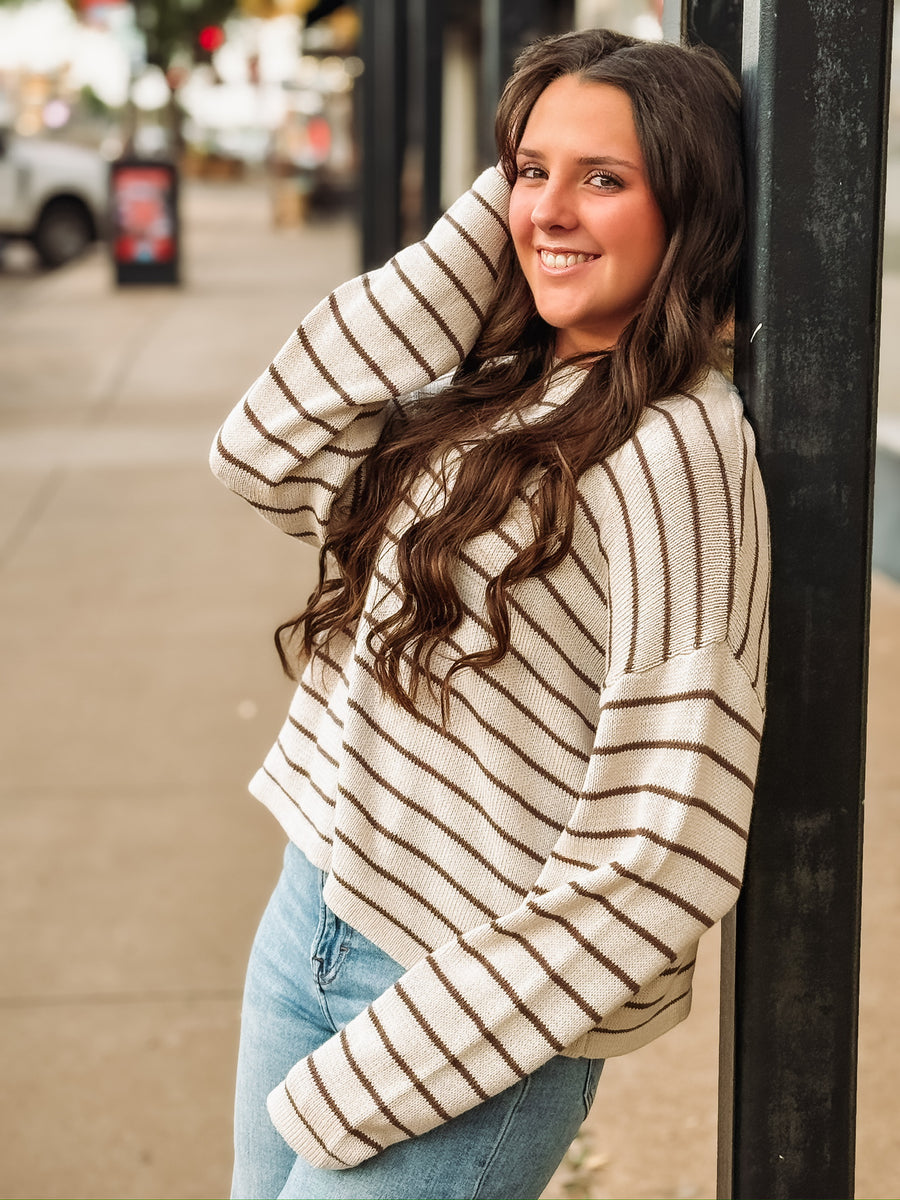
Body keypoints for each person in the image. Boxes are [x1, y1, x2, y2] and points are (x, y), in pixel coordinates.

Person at [210, 27, 770, 1200]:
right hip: (314, 907)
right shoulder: (501, 384)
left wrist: (402, 1060)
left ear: (692, 208)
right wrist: (512, 221)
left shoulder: (681, 452)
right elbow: (264, 447)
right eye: (530, 168)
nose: (551, 208)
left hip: (468, 1007)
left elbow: (667, 849)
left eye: (605, 179)